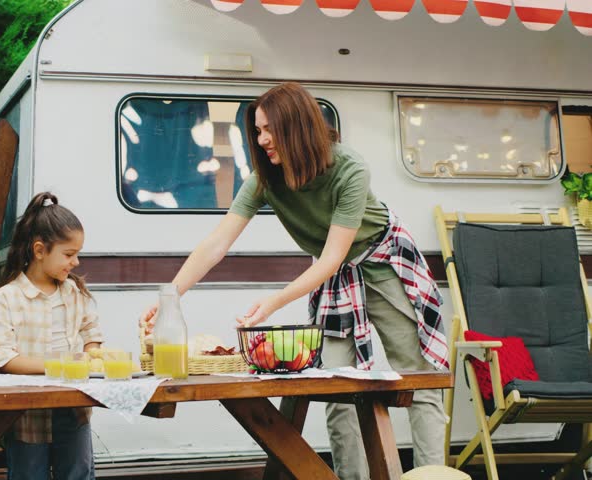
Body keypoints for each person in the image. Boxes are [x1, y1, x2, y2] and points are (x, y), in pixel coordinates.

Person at [139, 82, 449, 480]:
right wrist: (171, 297)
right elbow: (217, 243)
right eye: (258, 130)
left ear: (297, 127)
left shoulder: (349, 168)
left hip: (383, 262)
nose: (262, 139)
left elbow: (335, 256)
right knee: (335, 384)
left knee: (419, 378)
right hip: (335, 278)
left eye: (269, 129)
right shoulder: (266, 179)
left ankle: (433, 475)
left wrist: (272, 304)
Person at [0, 192, 103, 480]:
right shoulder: (6, 299)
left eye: (78, 254)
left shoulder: (75, 293)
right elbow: (0, 357)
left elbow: (92, 333)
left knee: (78, 473)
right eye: (69, 254)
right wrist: (59, 365)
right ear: (39, 250)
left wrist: (94, 353)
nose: (76, 262)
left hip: (73, 409)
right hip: (27, 416)